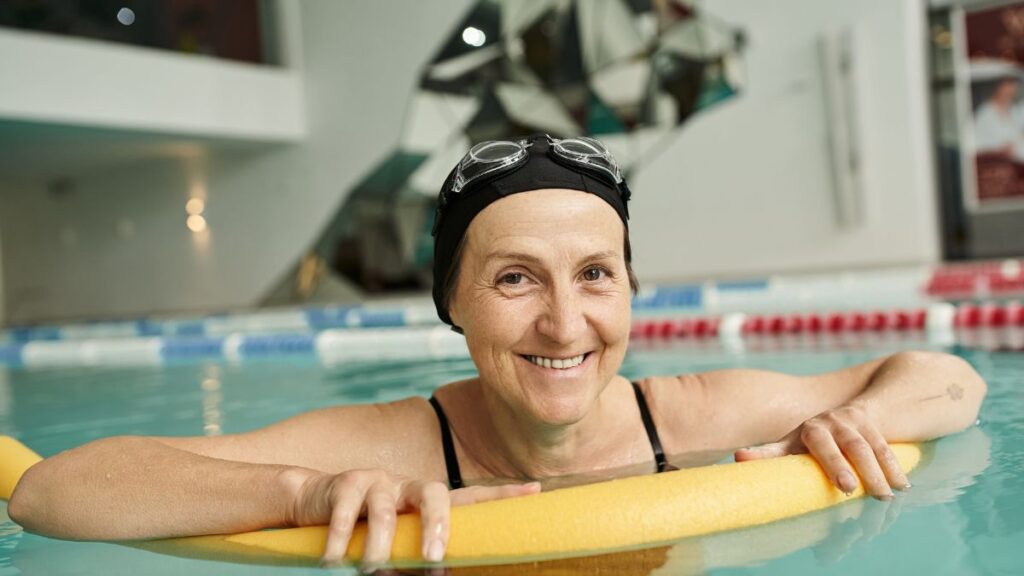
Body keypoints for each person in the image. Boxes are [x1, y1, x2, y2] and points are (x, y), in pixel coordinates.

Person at [8, 134, 987, 571]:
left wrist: (862, 419)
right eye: (517, 279)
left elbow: (949, 378)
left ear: (631, 293)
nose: (565, 326)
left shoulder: (690, 416)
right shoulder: (390, 445)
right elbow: (53, 494)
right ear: (452, 305)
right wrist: (306, 494)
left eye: (595, 275)